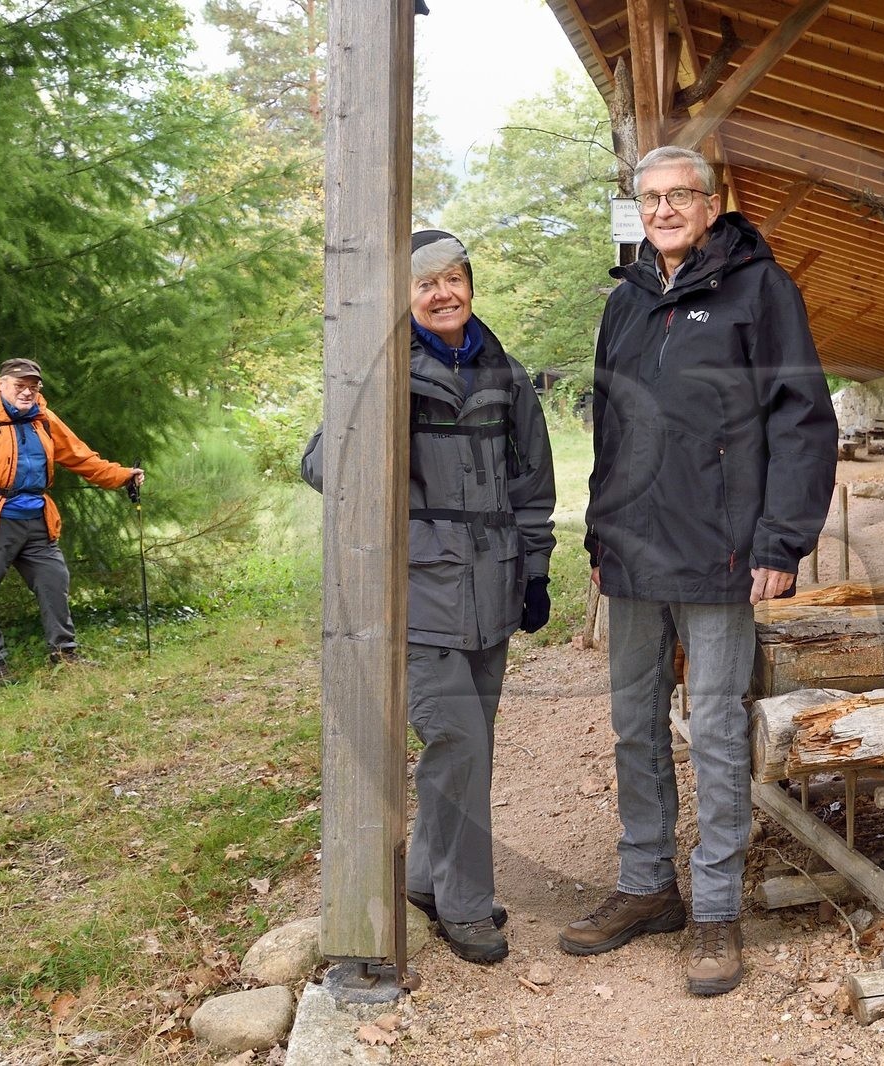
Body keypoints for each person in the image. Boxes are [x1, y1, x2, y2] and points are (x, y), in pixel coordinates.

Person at [559, 146, 836, 995]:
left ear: (711, 205)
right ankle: (648, 886)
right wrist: (601, 535)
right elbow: (612, 429)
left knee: (714, 726)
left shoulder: (761, 290)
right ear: (638, 210)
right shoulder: (625, 303)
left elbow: (802, 419)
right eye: (650, 198)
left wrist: (780, 541)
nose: (665, 210)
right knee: (633, 725)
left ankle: (717, 908)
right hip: (634, 551)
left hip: (722, 551)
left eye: (681, 195)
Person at [301, 229, 555, 964]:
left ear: (470, 284)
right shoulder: (383, 369)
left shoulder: (504, 370)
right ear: (403, 297)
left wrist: (535, 571)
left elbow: (533, 483)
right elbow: (320, 467)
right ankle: (465, 906)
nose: (443, 293)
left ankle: (423, 878)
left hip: (493, 592)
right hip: (417, 598)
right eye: (425, 284)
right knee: (458, 743)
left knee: (469, 750)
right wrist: (379, 411)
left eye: (453, 278)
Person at [0, 358, 144, 686]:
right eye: (20, 386)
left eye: (33, 387)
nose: (27, 392)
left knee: (54, 581)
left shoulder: (43, 418)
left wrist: (122, 476)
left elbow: (81, 457)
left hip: (36, 518)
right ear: (2, 384)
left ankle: (64, 653)